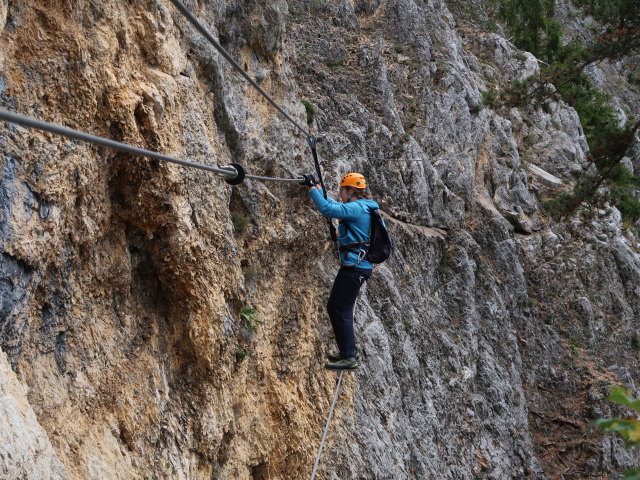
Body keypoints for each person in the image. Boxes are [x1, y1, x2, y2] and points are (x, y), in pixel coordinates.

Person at [300, 172, 379, 370]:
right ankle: (346, 352)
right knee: (333, 306)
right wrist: (317, 187)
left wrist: (311, 189)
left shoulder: (358, 208)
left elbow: (328, 209)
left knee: (341, 309)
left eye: (342, 191)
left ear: (351, 190)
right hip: (354, 266)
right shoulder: (362, 206)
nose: (341, 194)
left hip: (355, 267)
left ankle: (349, 356)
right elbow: (336, 206)